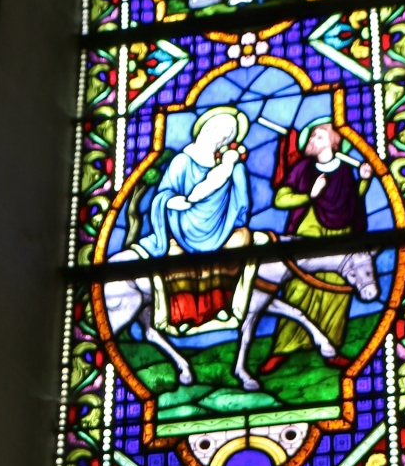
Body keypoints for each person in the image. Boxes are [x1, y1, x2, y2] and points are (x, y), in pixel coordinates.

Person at [262, 119, 373, 370]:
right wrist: (310, 193)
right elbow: (281, 199)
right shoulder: (302, 168)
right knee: (297, 289)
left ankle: (331, 349)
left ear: (334, 142)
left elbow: (352, 201)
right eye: (312, 136)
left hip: (340, 234)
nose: (312, 140)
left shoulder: (345, 170)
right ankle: (282, 348)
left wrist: (364, 180)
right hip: (308, 233)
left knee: (335, 293)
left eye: (319, 136)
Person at [138, 106, 251, 328]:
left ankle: (219, 308)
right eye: (216, 127)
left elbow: (241, 201)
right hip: (183, 228)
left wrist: (232, 167)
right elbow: (163, 193)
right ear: (204, 128)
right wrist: (172, 201)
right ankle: (183, 316)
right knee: (175, 255)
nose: (220, 134)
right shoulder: (182, 161)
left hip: (219, 229)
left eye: (227, 133)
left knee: (240, 240)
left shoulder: (229, 166)